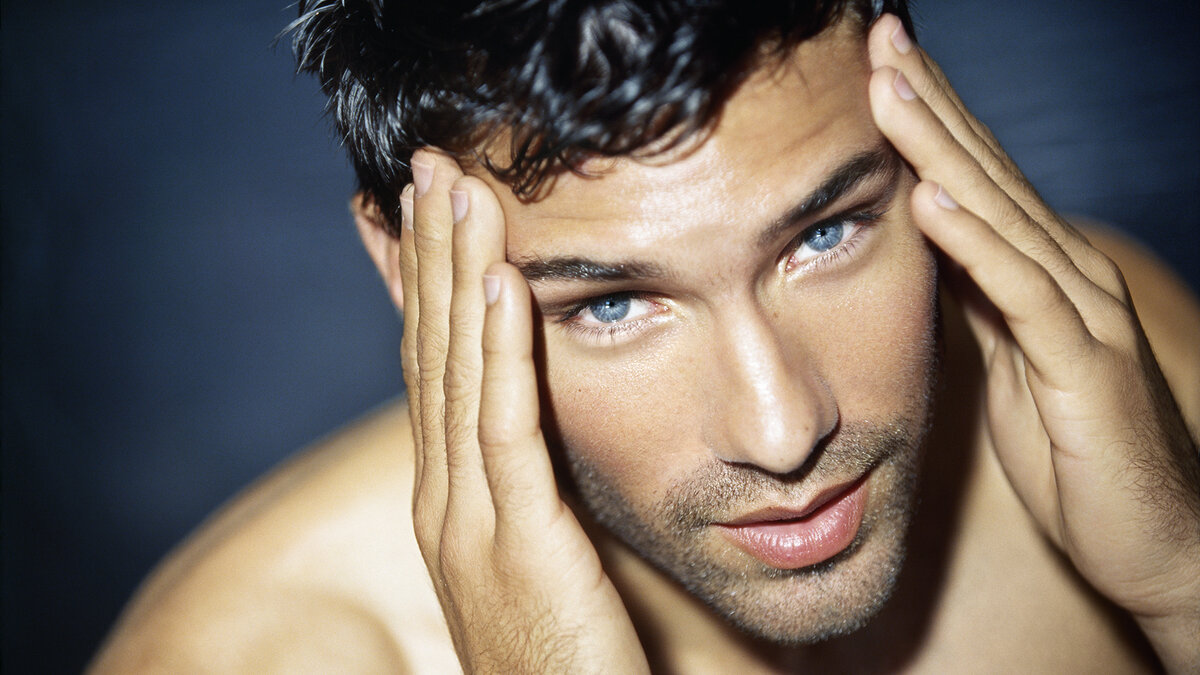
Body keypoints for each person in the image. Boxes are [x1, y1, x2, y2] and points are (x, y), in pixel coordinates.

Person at [90, 1, 1200, 672]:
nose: (783, 431)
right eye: (611, 304)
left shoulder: (1103, 382)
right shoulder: (246, 656)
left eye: (826, 233)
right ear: (407, 268)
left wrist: (1184, 583)